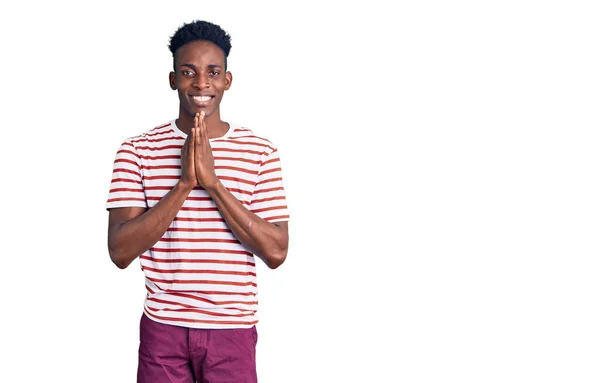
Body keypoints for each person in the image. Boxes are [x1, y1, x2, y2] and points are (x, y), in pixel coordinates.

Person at [106, 20, 290, 383]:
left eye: (213, 72)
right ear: (173, 79)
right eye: (188, 72)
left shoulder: (260, 152)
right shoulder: (137, 151)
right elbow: (119, 252)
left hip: (232, 331)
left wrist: (214, 183)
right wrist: (186, 183)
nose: (202, 83)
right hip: (164, 330)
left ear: (228, 80)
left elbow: (277, 253)